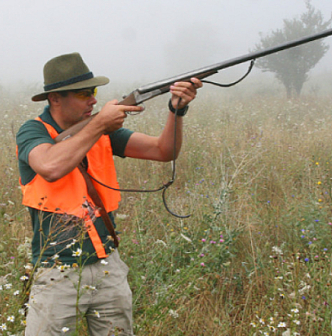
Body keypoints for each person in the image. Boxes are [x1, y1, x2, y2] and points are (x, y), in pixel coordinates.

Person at [16, 52, 202, 335]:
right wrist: (100, 123)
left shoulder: (99, 129)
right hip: (57, 271)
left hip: (108, 264)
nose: (93, 99)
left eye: (93, 92)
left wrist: (176, 110)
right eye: (83, 93)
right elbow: (50, 166)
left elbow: (163, 151)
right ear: (55, 98)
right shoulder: (33, 131)